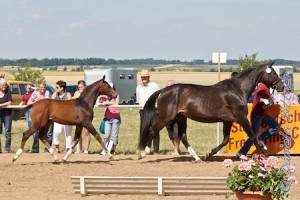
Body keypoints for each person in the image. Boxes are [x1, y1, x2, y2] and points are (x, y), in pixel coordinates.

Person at [237, 82, 280, 158]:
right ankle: (241, 152)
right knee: (253, 136)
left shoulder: (267, 87)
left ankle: (261, 139)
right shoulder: (262, 86)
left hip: (263, 114)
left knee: (276, 126)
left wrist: (269, 103)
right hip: (257, 115)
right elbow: (257, 98)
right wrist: (264, 100)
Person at [136, 69, 160, 154]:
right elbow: (138, 100)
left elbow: (159, 98)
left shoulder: (155, 86)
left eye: (145, 77)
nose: (143, 79)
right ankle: (145, 149)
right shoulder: (138, 87)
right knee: (144, 129)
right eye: (142, 77)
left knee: (155, 129)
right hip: (143, 111)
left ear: (148, 77)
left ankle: (156, 150)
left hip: (154, 110)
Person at [27, 81, 51, 153]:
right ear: (38, 88)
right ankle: (35, 148)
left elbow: (47, 103)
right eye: (41, 87)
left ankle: (48, 149)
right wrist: (37, 103)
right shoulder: (35, 93)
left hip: (46, 115)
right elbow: (29, 102)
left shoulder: (47, 93)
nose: (42, 89)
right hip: (38, 115)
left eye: (44, 87)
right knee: (35, 132)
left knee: (48, 133)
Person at [99, 83, 121, 155]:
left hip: (115, 118)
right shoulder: (104, 96)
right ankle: (105, 150)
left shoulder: (116, 95)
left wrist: (107, 103)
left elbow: (116, 103)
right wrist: (101, 101)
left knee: (114, 136)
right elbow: (100, 100)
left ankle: (113, 150)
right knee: (106, 136)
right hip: (107, 119)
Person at [52, 80, 72, 153]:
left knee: (68, 133)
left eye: (57, 87)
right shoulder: (55, 94)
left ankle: (67, 148)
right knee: (56, 132)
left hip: (67, 117)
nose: (56, 88)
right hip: (57, 117)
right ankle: (57, 147)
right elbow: (51, 103)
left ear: (62, 88)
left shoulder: (68, 94)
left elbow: (70, 105)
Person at [74, 80, 91, 154]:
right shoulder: (76, 93)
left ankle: (86, 149)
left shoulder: (88, 94)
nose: (80, 88)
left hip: (86, 115)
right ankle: (79, 149)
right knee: (78, 132)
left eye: (82, 87)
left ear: (85, 87)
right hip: (78, 115)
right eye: (79, 87)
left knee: (87, 132)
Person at [165, 80, 181, 155]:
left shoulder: (178, 96)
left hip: (176, 117)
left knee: (176, 134)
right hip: (167, 118)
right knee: (170, 135)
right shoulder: (164, 96)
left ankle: (176, 149)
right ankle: (176, 148)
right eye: (167, 87)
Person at [0, 78, 12, 153]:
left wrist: (1, 105)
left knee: (7, 132)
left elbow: (9, 102)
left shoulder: (8, 92)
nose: (4, 86)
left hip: (7, 114)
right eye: (2, 85)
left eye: (5, 85)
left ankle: (7, 148)